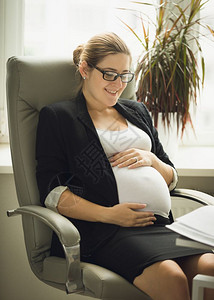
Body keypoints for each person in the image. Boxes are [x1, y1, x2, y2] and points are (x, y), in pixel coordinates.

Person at [36, 32, 214, 300]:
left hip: (161, 225)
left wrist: (153, 160)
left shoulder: (137, 111)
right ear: (85, 69)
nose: (118, 84)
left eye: (125, 75)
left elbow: (171, 176)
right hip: (107, 231)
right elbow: (52, 192)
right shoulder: (60, 117)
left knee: (211, 269)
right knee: (172, 277)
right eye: (109, 74)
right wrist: (109, 214)